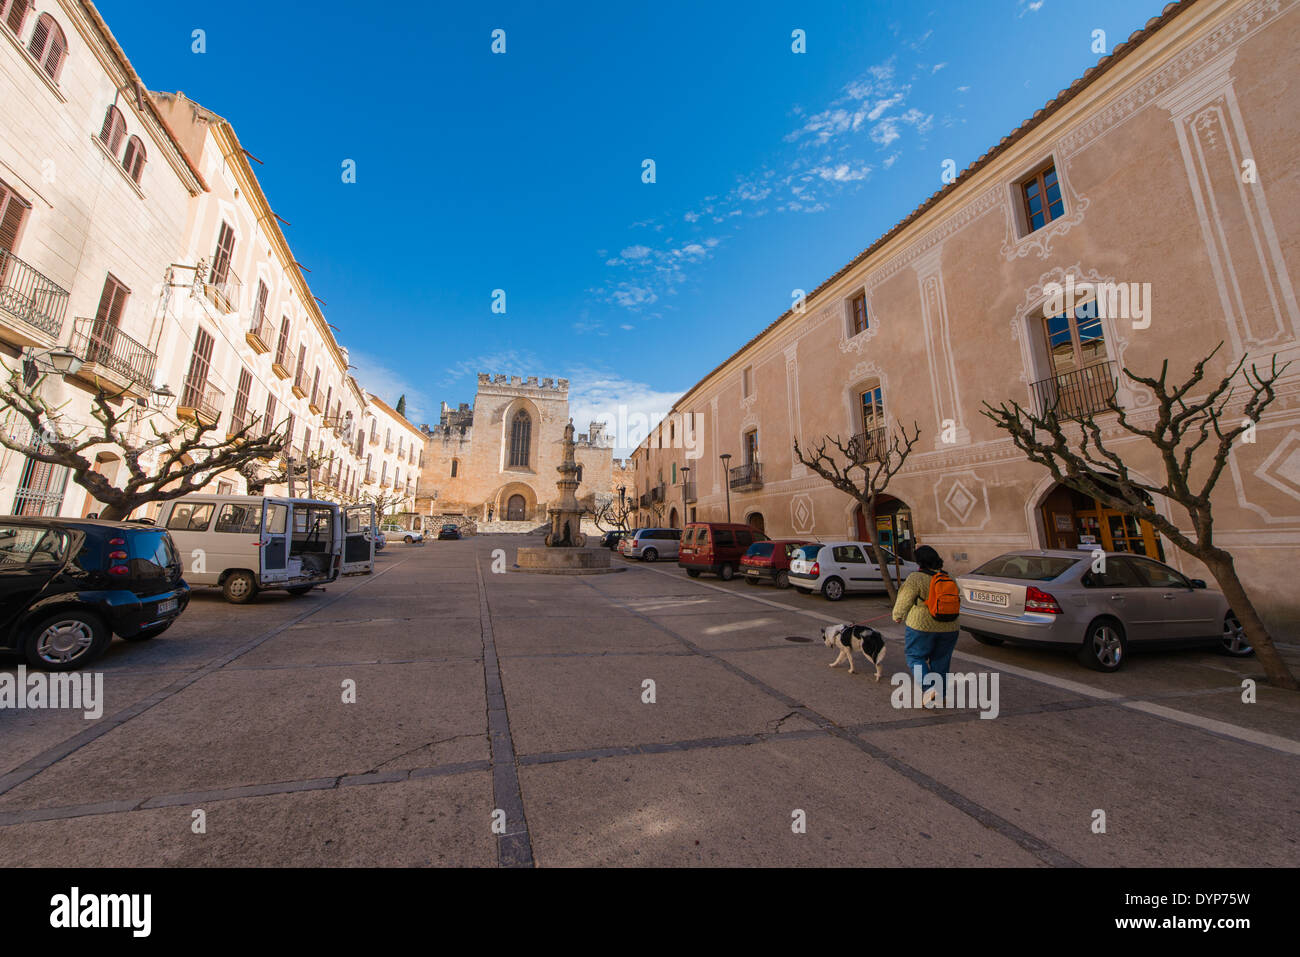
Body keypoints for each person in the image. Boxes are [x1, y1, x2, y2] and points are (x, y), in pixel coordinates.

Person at [891, 544, 960, 708]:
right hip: (950, 626)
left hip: (921, 626)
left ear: (919, 562)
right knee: (941, 661)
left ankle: (929, 690)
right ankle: (941, 694)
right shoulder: (949, 577)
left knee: (915, 657)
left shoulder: (916, 578)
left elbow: (905, 599)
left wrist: (897, 616)